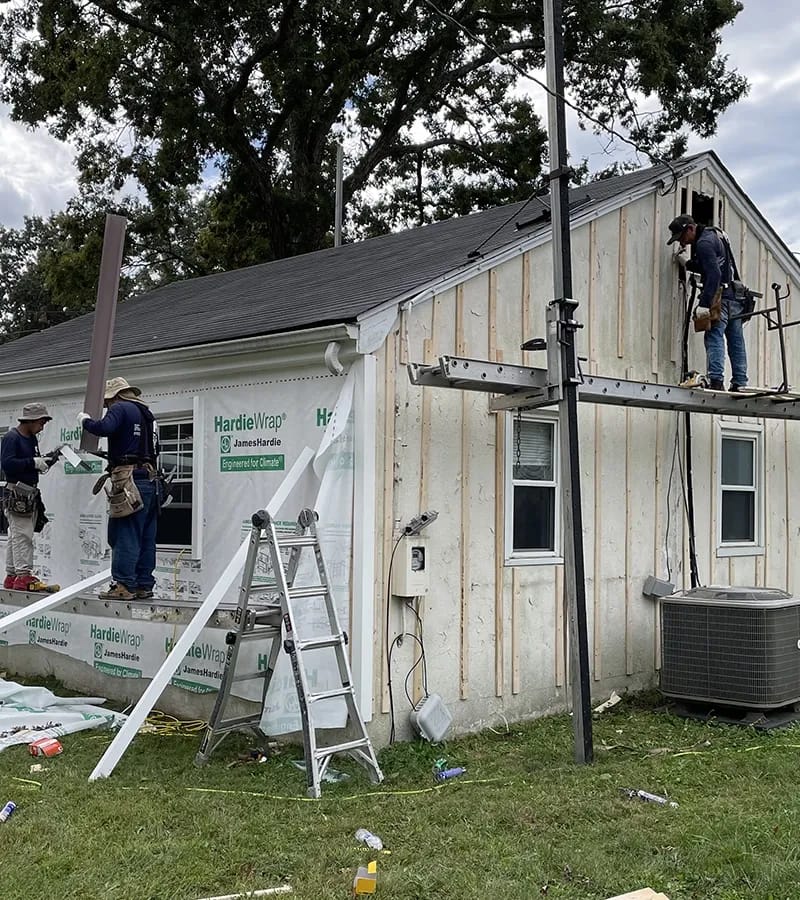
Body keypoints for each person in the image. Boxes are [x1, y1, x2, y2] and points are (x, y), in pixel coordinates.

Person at [78, 377, 159, 601]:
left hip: (128, 480)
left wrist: (86, 422)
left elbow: (105, 427)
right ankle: (144, 584)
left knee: (125, 534)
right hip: (150, 479)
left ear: (114, 396)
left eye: (106, 403)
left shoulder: (120, 407)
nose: (106, 406)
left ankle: (124, 585)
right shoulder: (146, 413)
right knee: (145, 536)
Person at [667, 214, 748, 392]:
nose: (682, 241)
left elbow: (714, 275)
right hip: (736, 297)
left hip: (721, 298)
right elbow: (712, 266)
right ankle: (740, 382)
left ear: (690, 228)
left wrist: (705, 303)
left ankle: (717, 380)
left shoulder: (703, 243)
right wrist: (688, 263)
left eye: (681, 237)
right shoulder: (716, 235)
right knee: (736, 340)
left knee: (714, 335)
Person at [1, 402, 57, 591]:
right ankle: (23, 576)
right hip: (17, 492)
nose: (42, 427)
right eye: (41, 422)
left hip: (29, 492)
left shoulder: (31, 439)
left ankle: (12, 575)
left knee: (16, 535)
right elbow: (7, 464)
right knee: (22, 535)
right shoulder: (11, 437)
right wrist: (32, 462)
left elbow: (29, 463)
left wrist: (45, 460)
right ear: (31, 421)